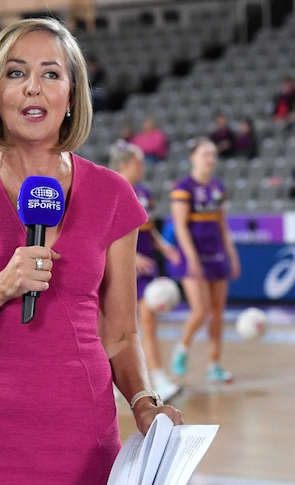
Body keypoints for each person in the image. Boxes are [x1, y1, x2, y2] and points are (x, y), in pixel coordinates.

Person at [0, 18, 182, 484]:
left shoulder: (112, 194)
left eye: (51, 73)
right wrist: (0, 287)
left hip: (83, 442)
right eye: (15, 73)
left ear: (71, 95)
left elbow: (122, 335)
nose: (33, 88)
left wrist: (144, 403)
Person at [109, 139, 183, 402]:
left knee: (148, 321)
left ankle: (155, 378)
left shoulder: (143, 191)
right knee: (117, 324)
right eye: (139, 162)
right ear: (126, 163)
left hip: (147, 265)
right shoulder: (110, 188)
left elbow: (148, 228)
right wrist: (132, 256)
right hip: (122, 264)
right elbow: (105, 231)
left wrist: (165, 248)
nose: (143, 167)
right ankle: (126, 379)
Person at [168, 138, 241, 384]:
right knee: (200, 311)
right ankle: (182, 348)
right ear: (193, 157)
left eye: (212, 154)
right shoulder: (183, 187)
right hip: (194, 256)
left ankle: (214, 365)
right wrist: (192, 258)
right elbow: (180, 226)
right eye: (205, 154)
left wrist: (232, 255)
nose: (210, 159)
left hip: (217, 254)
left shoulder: (218, 187)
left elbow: (222, 225)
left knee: (218, 314)